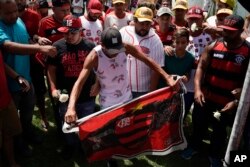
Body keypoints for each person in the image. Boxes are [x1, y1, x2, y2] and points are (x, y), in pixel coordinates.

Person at [65, 27, 178, 121]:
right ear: (102, 45)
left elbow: (147, 59)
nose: (116, 53)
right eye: (112, 51)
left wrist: (167, 76)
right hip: (107, 103)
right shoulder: (94, 57)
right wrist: (71, 107)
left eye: (118, 49)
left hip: (127, 98)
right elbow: (79, 83)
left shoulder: (124, 47)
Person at [0, 0, 56, 156]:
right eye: (8, 13)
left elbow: (25, 40)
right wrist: (39, 49)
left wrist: (37, 40)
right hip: (10, 83)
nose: (13, 15)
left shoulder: (18, 21)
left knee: (28, 111)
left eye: (15, 11)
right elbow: (9, 46)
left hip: (26, 78)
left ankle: (28, 133)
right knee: (13, 121)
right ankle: (18, 144)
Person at [193, 15, 249, 167]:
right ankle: (193, 147)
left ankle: (214, 156)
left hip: (227, 104)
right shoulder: (213, 45)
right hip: (206, 97)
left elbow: (247, 82)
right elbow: (201, 67)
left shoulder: (247, 52)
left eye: (231, 31)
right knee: (198, 125)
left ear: (241, 31)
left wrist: (237, 101)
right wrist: (197, 89)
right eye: (224, 30)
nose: (226, 33)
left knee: (219, 132)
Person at [47, 15, 96, 159]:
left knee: (86, 123)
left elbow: (99, 68)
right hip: (65, 95)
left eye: (72, 32)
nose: (68, 36)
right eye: (65, 32)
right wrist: (53, 89)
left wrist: (98, 84)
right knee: (67, 124)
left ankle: (84, 147)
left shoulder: (90, 47)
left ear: (81, 31)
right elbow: (51, 70)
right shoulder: (57, 47)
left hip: (87, 94)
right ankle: (69, 146)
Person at [120, 7, 165, 98]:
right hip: (123, 87)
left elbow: (156, 70)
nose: (144, 27)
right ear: (135, 21)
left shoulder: (155, 40)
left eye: (147, 23)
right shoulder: (123, 32)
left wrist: (150, 94)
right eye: (141, 23)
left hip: (144, 90)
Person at [158, 28, 195, 118]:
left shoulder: (190, 58)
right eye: (177, 42)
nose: (180, 45)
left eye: (183, 42)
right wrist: (164, 47)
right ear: (173, 41)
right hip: (163, 89)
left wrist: (185, 77)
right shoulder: (167, 54)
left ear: (188, 42)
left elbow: (188, 73)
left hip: (176, 91)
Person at [0, 50, 22, 167]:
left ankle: (11, 162)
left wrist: (16, 76)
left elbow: (1, 63)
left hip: (6, 99)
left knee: (9, 133)